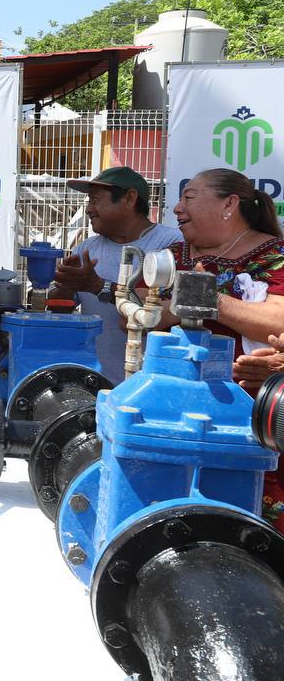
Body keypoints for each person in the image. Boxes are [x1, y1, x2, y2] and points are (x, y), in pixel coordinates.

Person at [160, 168, 284, 532]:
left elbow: (277, 319)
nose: (177, 209)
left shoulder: (274, 254)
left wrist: (209, 300)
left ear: (229, 204)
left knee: (254, 513)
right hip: (174, 405)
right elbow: (135, 313)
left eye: (189, 198)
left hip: (254, 411)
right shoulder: (172, 254)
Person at [50, 167, 183, 383]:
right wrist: (66, 284)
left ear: (129, 198)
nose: (88, 209)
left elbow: (160, 310)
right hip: (95, 380)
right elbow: (58, 307)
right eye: (88, 201)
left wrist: (97, 286)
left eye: (95, 200)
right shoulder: (86, 249)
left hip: (152, 382)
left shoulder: (170, 245)